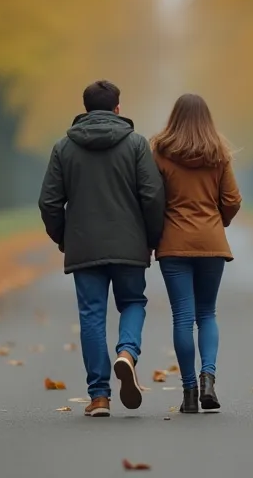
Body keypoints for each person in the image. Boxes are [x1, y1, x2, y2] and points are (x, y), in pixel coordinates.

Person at [38, 80, 166, 417]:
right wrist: (152, 238)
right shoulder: (137, 145)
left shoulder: (64, 148)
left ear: (85, 109)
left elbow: (49, 202)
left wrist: (64, 237)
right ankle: (127, 352)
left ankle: (99, 397)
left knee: (92, 316)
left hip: (84, 246)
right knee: (133, 302)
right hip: (129, 243)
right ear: (117, 109)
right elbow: (152, 196)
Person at [150, 93, 241, 414]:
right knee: (207, 314)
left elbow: (151, 198)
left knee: (183, 318)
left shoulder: (160, 153)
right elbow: (231, 199)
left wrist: (156, 229)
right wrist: (218, 222)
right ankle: (208, 378)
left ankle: (189, 392)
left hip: (174, 245)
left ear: (174, 117)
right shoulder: (219, 154)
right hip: (211, 243)